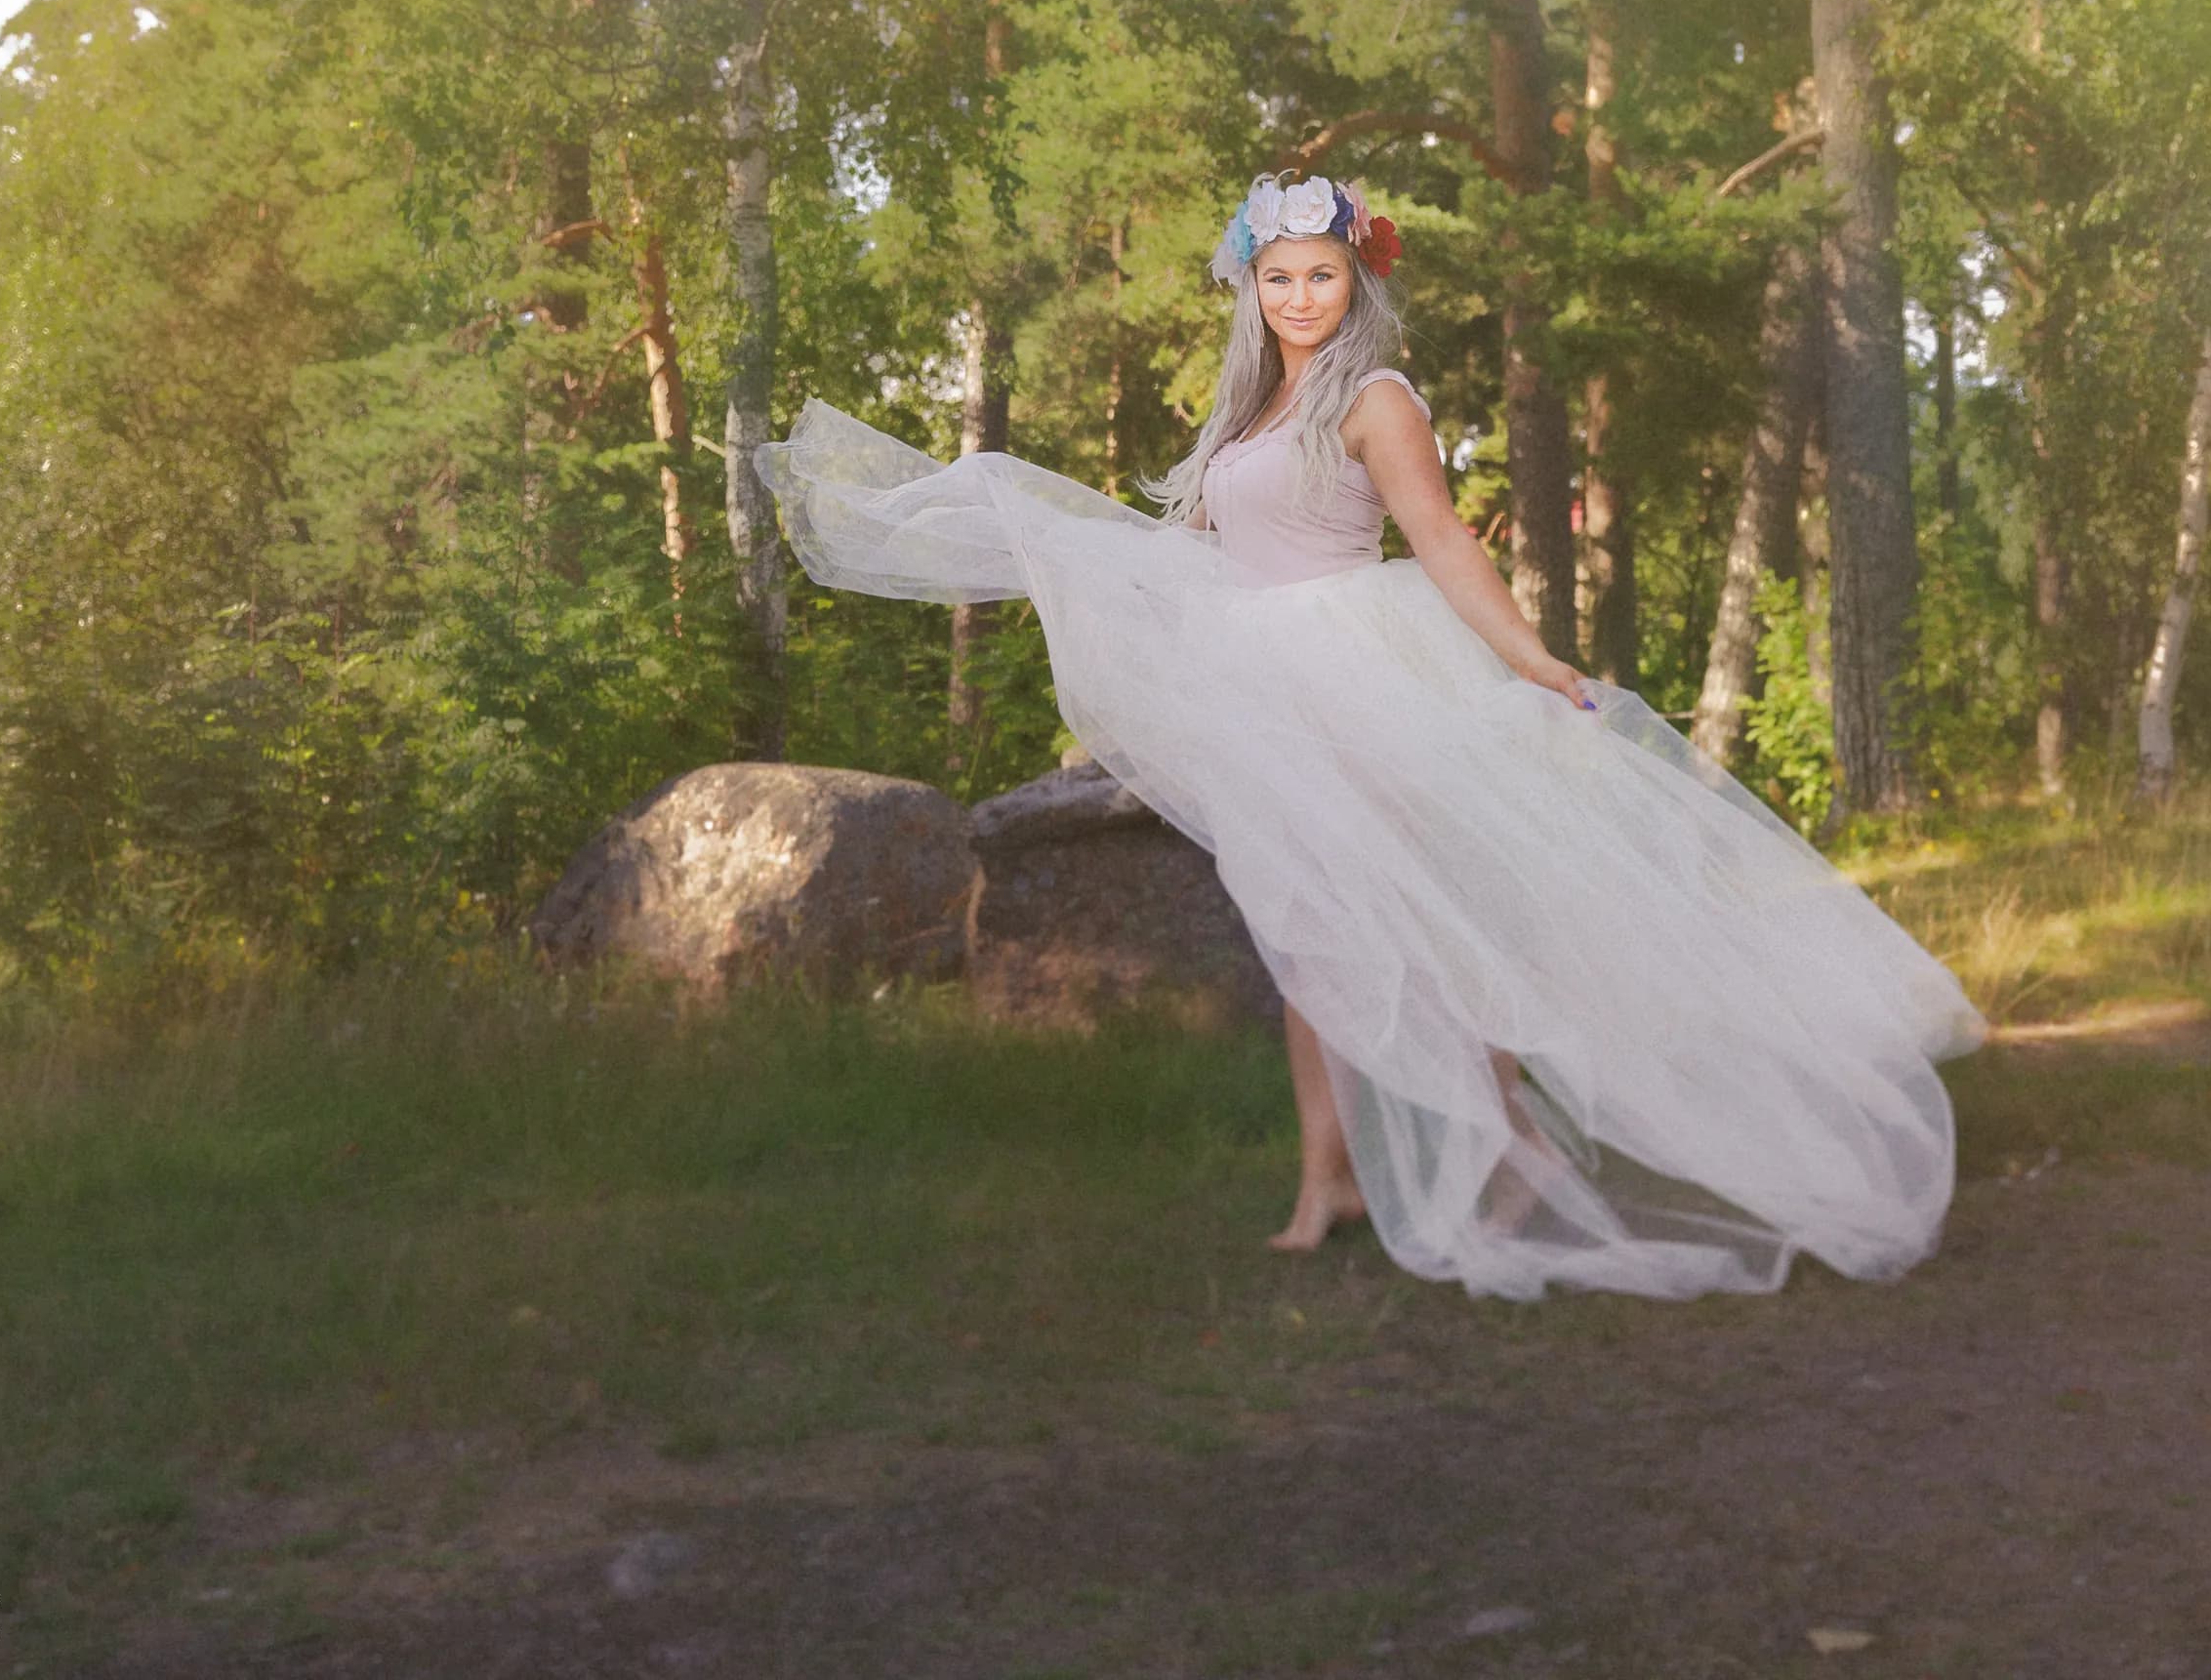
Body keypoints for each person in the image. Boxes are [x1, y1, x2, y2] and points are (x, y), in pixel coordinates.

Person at [752, 171, 1985, 1300]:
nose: (1299, 297)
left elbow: (1442, 540)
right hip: (1264, 687)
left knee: (1421, 918)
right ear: (1252, 285)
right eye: (1278, 276)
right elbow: (1215, 545)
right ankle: (1329, 1175)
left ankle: (1512, 1143)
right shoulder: (1248, 407)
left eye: (1322, 275)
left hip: (1366, 674)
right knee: (1309, 938)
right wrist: (1063, 549)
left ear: (1359, 281)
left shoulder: (1378, 397)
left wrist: (1530, 659)